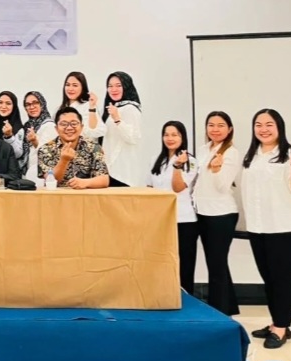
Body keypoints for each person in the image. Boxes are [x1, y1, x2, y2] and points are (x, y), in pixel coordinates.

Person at [241, 109, 291, 349]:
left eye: (269, 124)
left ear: (279, 126)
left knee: (283, 281)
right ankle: (276, 323)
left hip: (285, 227)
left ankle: (281, 328)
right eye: (258, 124)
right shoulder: (252, 156)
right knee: (269, 279)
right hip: (258, 227)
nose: (263, 129)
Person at [192, 111, 240, 316]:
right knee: (216, 262)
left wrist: (217, 169)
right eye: (211, 125)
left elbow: (222, 186)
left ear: (229, 129)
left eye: (221, 125)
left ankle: (219, 311)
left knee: (216, 264)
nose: (215, 129)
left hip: (221, 214)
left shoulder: (231, 153)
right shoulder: (204, 150)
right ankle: (228, 306)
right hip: (201, 211)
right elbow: (197, 181)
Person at [148, 121, 197, 295]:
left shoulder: (190, 161)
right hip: (161, 219)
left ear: (182, 137)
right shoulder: (158, 160)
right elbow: (151, 187)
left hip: (183, 219)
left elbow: (178, 187)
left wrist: (177, 166)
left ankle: (186, 297)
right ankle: (165, 296)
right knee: (162, 261)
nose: (170, 138)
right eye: (166, 134)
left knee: (184, 263)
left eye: (175, 135)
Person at [37, 107, 110, 189]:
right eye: (64, 124)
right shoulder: (45, 149)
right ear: (56, 129)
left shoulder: (94, 147)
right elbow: (50, 181)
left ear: (81, 127)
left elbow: (104, 180)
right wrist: (64, 161)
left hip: (85, 195)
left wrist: (85, 182)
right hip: (57, 195)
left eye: (74, 123)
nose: (69, 128)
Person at [101, 72, 143, 186]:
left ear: (126, 86)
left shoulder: (130, 108)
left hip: (123, 172)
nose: (113, 89)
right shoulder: (115, 107)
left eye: (118, 85)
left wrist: (117, 119)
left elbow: (133, 137)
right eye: (110, 86)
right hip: (110, 169)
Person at [6, 91, 57, 179]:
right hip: (27, 173)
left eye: (35, 103)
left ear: (42, 104)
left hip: (43, 175)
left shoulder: (49, 126)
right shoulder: (27, 126)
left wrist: (35, 141)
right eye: (28, 104)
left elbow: (51, 154)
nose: (32, 107)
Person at [58, 71, 104, 139]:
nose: (70, 89)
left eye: (75, 85)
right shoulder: (60, 108)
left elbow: (97, 130)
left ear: (82, 88)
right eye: (67, 85)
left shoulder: (88, 106)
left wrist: (92, 108)